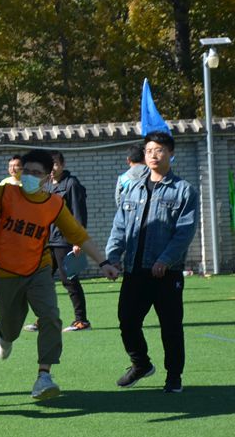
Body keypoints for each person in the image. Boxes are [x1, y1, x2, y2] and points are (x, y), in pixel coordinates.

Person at [0, 149, 119, 400]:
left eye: (37, 173)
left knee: (50, 316)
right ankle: (4, 333)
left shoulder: (55, 204)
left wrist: (103, 263)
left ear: (47, 177)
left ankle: (44, 375)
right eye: (27, 172)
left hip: (39, 268)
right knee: (12, 328)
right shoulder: (5, 193)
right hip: (5, 271)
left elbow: (77, 234)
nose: (30, 177)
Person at [105, 132, 198, 393]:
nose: (153, 155)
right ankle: (141, 364)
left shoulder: (184, 190)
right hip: (135, 269)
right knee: (127, 320)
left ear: (170, 153)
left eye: (159, 150)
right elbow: (119, 227)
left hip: (166, 273)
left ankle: (174, 376)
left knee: (170, 326)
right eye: (149, 151)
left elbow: (184, 232)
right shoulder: (132, 188)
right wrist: (112, 258)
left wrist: (166, 260)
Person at [47, 150, 91, 331]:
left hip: (65, 240)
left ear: (62, 165)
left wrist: (77, 240)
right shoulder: (47, 185)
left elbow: (79, 213)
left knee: (70, 281)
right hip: (49, 240)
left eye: (55, 164)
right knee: (43, 281)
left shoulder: (72, 184)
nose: (52, 168)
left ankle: (82, 320)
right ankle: (44, 318)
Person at [116, 143, 148, 208]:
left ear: (128, 160)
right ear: (145, 158)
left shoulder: (122, 178)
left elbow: (119, 202)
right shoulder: (153, 175)